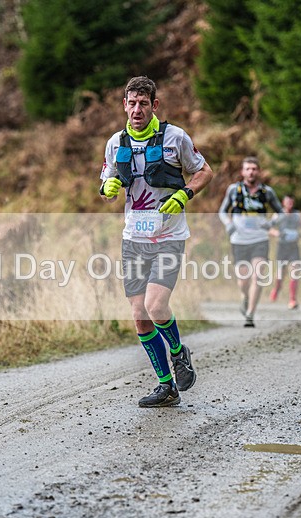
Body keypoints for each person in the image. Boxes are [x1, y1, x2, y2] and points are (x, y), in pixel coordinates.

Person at [99, 75, 214, 408]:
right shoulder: (115, 142)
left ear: (155, 105)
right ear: (124, 104)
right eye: (132, 103)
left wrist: (184, 194)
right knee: (139, 316)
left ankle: (178, 352)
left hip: (168, 236)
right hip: (133, 238)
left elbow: (205, 171)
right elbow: (107, 176)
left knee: (156, 305)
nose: (137, 109)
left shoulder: (175, 137)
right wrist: (106, 188)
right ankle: (167, 386)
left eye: (143, 103)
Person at [218, 157, 282, 327]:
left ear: (258, 171)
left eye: (254, 168)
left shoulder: (267, 192)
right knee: (243, 280)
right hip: (239, 240)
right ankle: (245, 297)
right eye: (248, 169)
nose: (251, 172)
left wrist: (271, 223)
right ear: (242, 172)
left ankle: (250, 314)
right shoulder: (234, 190)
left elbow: (280, 211)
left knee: (258, 275)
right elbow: (223, 212)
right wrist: (229, 224)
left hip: (260, 239)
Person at [269, 194, 301, 309]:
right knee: (281, 274)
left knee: (295, 271)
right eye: (287, 202)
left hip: (293, 247)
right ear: (283, 203)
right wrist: (276, 233)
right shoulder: (278, 215)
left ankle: (292, 299)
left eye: (291, 202)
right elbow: (269, 228)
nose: (290, 204)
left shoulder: (297, 215)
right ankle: (276, 289)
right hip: (282, 246)